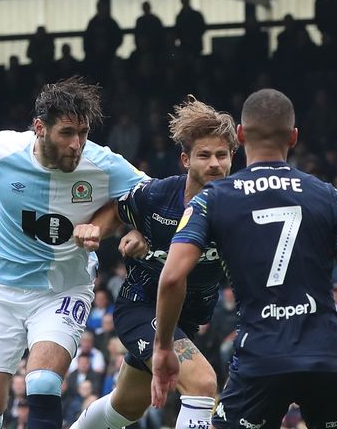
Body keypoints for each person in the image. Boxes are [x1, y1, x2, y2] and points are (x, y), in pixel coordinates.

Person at [150, 89, 337, 427]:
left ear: (240, 136)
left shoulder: (212, 199)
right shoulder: (329, 197)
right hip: (325, 356)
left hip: (259, 357)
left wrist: (162, 347)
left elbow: (171, 277)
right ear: (294, 137)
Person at [0, 77, 148, 429]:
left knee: (44, 381)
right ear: (39, 129)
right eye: (67, 133)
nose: (77, 144)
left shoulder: (103, 164)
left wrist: (132, 227)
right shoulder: (1, 149)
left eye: (83, 132)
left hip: (63, 288)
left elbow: (153, 198)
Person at [70, 96, 238, 428]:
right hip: (141, 307)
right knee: (203, 383)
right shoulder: (156, 196)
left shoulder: (239, 211)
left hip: (186, 320)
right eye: (204, 155)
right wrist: (102, 230)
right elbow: (118, 209)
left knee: (126, 406)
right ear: (185, 160)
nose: (215, 164)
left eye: (222, 155)